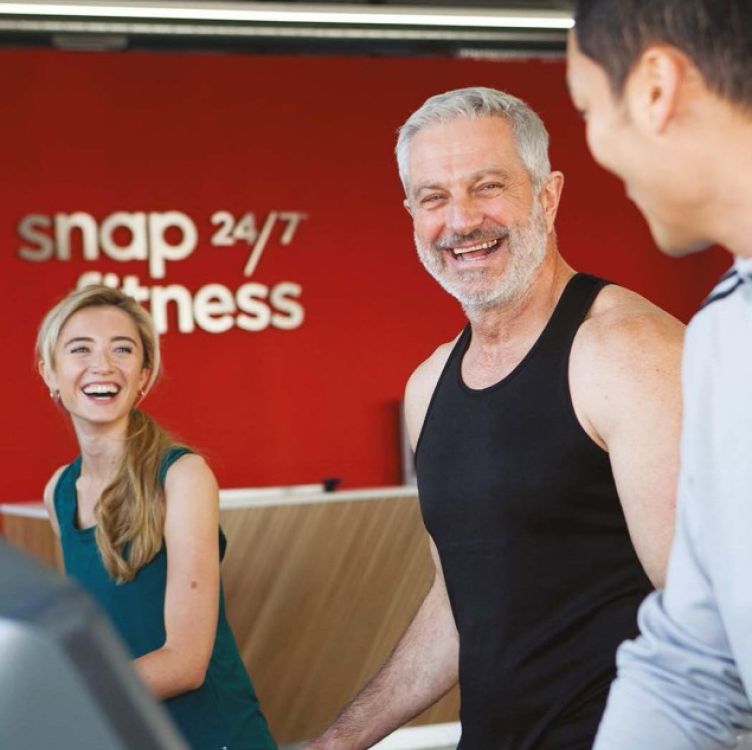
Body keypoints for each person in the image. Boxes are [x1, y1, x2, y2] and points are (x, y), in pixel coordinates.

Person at [305, 87, 684, 750]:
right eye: (434, 197)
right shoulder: (429, 387)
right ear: (412, 215)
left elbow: (704, 613)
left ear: (547, 195)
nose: (461, 220)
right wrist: (337, 741)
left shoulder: (627, 351)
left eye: (487, 186)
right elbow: (460, 605)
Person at [566, 1, 752, 747]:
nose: (595, 147)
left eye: (586, 108)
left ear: (654, 89)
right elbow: (696, 663)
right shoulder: (721, 340)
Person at [36, 285, 277, 750]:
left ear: (143, 376)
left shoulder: (182, 476)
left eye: (122, 349)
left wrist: (61, 699)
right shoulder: (59, 492)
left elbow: (185, 664)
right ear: (50, 372)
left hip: (212, 735)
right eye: (80, 349)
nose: (103, 365)